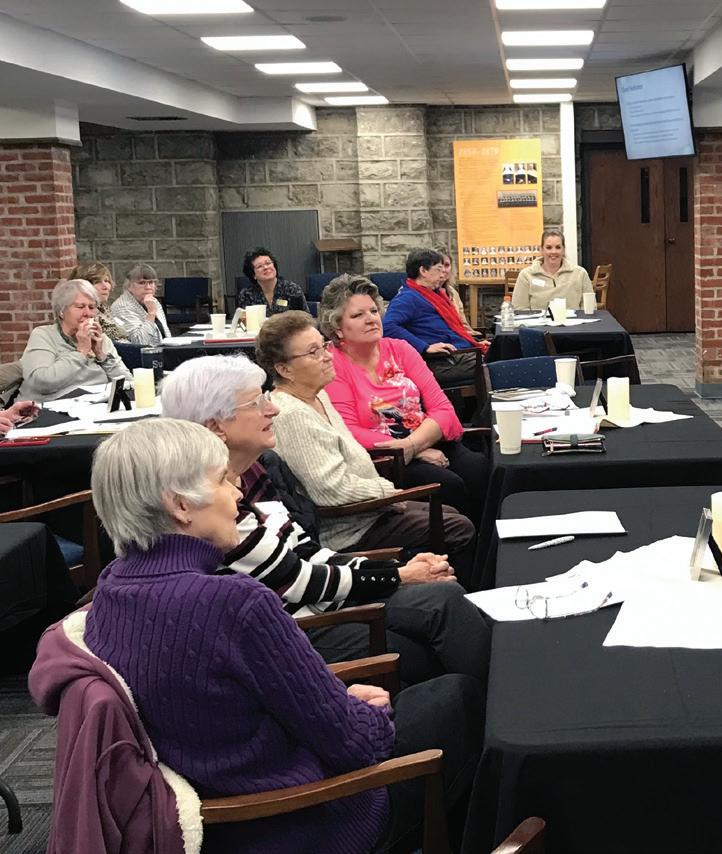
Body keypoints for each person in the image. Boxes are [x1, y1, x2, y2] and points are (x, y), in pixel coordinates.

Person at [51, 418, 482, 853]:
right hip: (304, 822)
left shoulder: (108, 593)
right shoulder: (233, 602)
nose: (238, 494)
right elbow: (353, 743)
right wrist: (366, 714)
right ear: (180, 505)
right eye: (222, 481)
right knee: (460, 695)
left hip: (215, 818)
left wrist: (341, 703)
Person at [162, 355, 491, 685]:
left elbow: (305, 550)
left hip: (324, 603)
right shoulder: (210, 503)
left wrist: (395, 570)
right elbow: (296, 579)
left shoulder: (252, 470)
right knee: (435, 625)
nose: (272, 409)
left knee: (444, 597)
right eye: (257, 403)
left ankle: (493, 698)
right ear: (216, 426)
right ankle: (493, 700)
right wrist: (398, 575)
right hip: (297, 631)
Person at [255, 311, 477, 579]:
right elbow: (330, 491)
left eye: (324, 346)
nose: (327, 356)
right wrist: (388, 492)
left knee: (450, 511)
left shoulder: (317, 396)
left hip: (370, 510)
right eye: (314, 352)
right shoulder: (291, 415)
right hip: (348, 530)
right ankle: (453, 592)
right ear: (284, 369)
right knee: (458, 527)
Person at [321, 274, 488, 522]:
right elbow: (348, 431)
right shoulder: (332, 363)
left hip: (426, 439)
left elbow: (443, 409)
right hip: (385, 459)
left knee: (479, 468)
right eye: (357, 315)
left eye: (373, 311)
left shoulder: (400, 348)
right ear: (337, 327)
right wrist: (411, 451)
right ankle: (462, 545)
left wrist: (413, 445)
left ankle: (487, 544)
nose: (371, 319)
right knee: (448, 484)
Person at [20, 279, 129, 402]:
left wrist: (101, 355)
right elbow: (41, 383)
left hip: (97, 404)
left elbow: (128, 383)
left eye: (92, 307)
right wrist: (81, 352)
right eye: (80, 307)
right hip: (53, 406)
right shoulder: (44, 335)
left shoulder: (100, 338)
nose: (87, 313)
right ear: (61, 311)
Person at [383, 248, 489, 355]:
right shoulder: (407, 298)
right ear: (423, 271)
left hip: (464, 349)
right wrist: (424, 347)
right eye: (439, 270)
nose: (442, 275)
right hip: (448, 357)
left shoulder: (436, 294)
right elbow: (387, 326)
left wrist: (475, 342)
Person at [512, 228, 594, 310]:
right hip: (539, 319)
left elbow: (590, 307)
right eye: (549, 247)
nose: (553, 251)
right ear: (542, 250)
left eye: (558, 247)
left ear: (563, 250)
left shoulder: (580, 274)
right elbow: (519, 308)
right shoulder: (526, 275)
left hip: (574, 318)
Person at [110, 263, 171, 346]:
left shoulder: (153, 301)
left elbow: (166, 334)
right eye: (142, 283)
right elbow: (140, 343)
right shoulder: (122, 307)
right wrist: (151, 313)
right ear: (129, 286)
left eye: (151, 282)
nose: (148, 287)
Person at [238, 247, 306, 316]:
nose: (266, 267)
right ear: (253, 275)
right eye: (259, 266)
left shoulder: (291, 289)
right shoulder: (247, 295)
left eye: (268, 263)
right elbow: (244, 320)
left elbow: (306, 318)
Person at [67, 261, 125, 341]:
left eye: (106, 281)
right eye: (97, 282)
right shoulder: (85, 315)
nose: (105, 287)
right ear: (83, 286)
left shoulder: (104, 308)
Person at [440, 250, 483, 341]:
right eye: (439, 266)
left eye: (447, 265)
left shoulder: (452, 292)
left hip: (460, 337)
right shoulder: (424, 293)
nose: (443, 270)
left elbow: (463, 323)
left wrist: (473, 335)